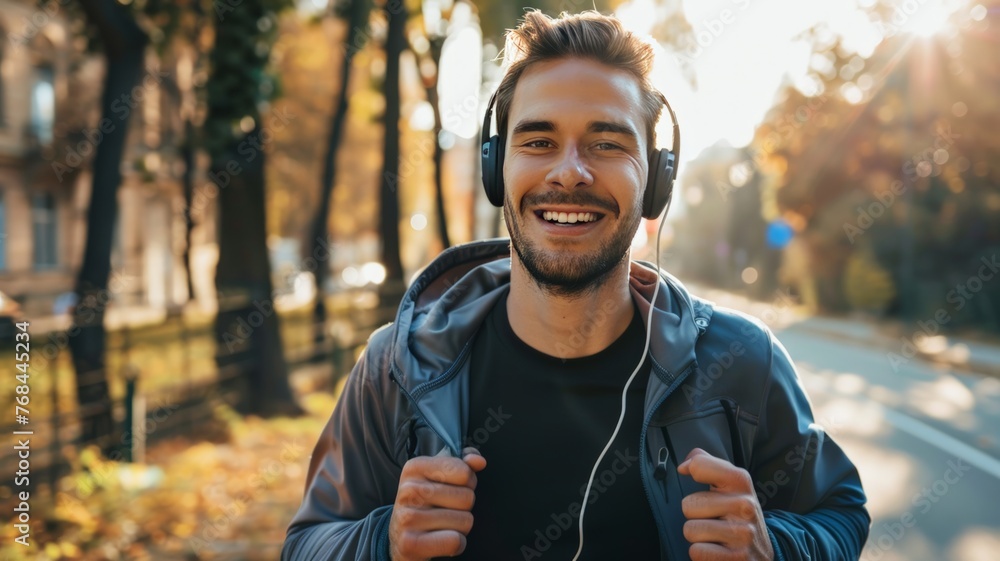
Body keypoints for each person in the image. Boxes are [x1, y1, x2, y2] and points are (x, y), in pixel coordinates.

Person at [282, 10, 869, 561]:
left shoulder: (743, 361)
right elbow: (307, 541)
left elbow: (839, 511)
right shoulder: (399, 365)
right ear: (496, 168)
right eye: (537, 141)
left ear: (656, 181)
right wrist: (381, 542)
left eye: (607, 144)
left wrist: (776, 546)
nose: (569, 171)